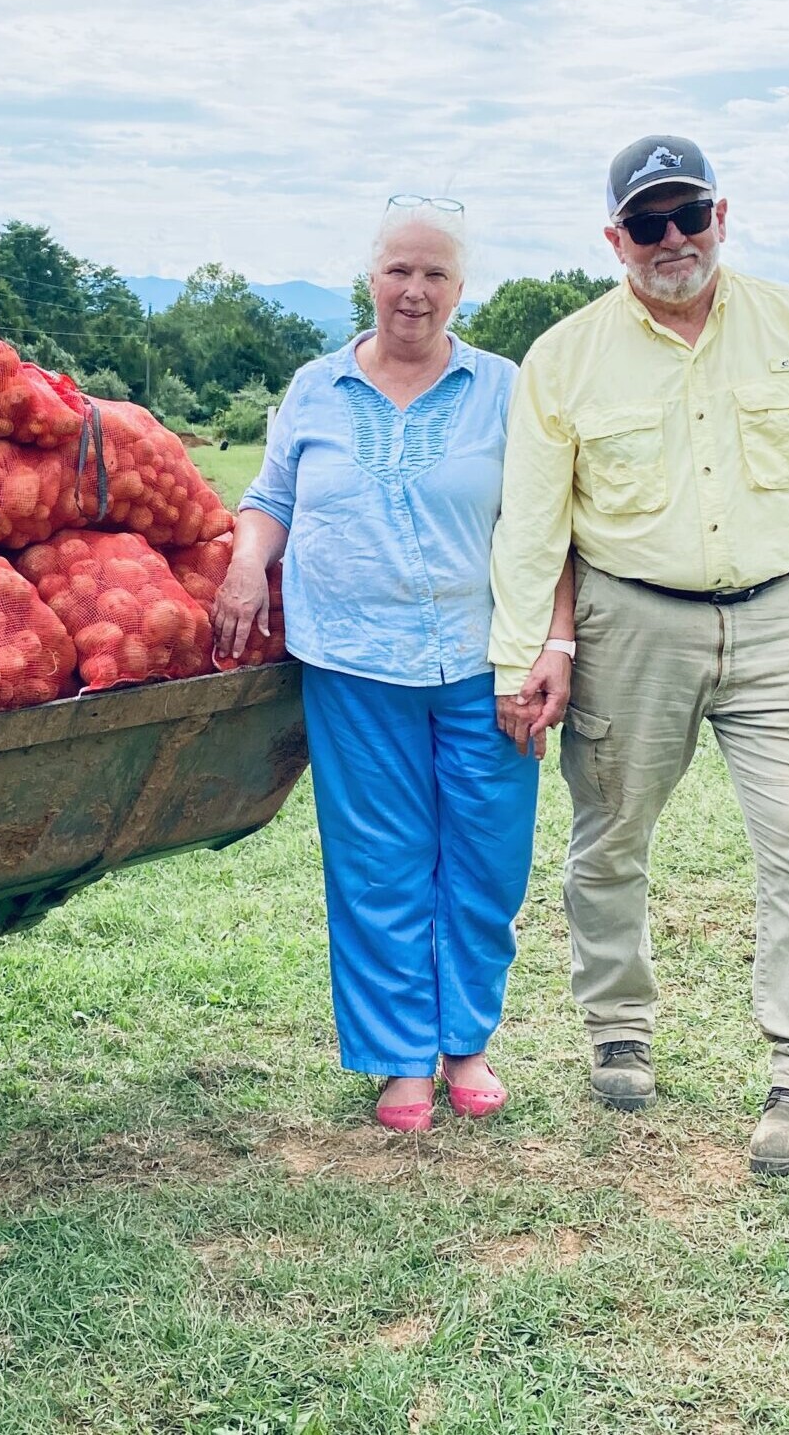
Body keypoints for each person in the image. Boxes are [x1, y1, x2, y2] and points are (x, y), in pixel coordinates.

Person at [489, 137, 789, 1177]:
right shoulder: (564, 357)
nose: (670, 240)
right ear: (613, 237)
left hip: (782, 617)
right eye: (646, 223)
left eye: (687, 216)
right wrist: (528, 652)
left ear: (722, 213)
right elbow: (533, 529)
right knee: (611, 832)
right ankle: (616, 1023)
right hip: (632, 619)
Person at [214, 197, 572, 1134]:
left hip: (482, 662)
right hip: (352, 664)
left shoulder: (504, 387)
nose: (415, 292)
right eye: (399, 271)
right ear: (370, 277)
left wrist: (553, 644)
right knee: (379, 863)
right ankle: (399, 1060)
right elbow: (269, 495)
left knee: (486, 859)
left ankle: (466, 1045)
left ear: (462, 287)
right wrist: (250, 559)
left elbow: (548, 529)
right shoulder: (315, 388)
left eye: (436, 275)